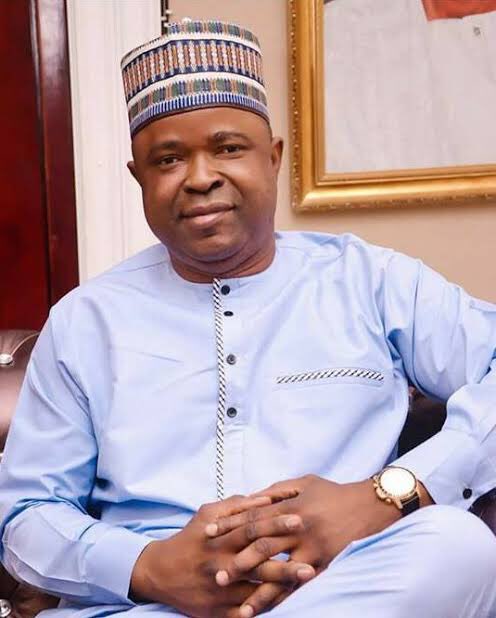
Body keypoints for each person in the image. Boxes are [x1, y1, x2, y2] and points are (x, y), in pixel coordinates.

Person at [1, 19, 496, 618]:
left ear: (274, 158)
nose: (200, 177)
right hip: (149, 609)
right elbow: (26, 516)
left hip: (343, 589)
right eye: (168, 159)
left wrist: (390, 493)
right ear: (138, 178)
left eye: (229, 148)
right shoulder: (85, 321)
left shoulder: (372, 280)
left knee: (459, 547)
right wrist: (150, 567)